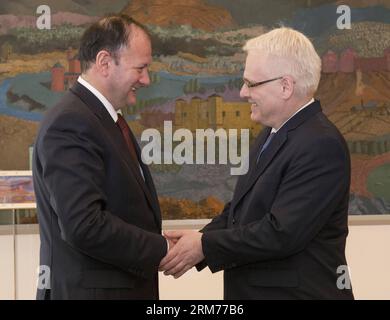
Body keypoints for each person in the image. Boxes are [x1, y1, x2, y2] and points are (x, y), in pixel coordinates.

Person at [160, 27, 354, 300]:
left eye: (251, 84)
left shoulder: (320, 144)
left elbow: (281, 233)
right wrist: (197, 240)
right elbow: (241, 212)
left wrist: (204, 245)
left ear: (285, 86)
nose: (242, 92)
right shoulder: (273, 133)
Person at [33, 14, 168, 299]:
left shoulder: (101, 117)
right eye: (141, 68)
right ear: (105, 62)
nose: (146, 79)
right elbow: (84, 225)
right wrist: (163, 248)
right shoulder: (72, 122)